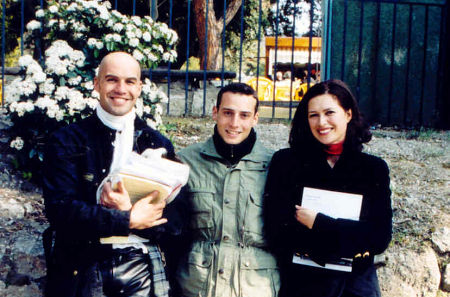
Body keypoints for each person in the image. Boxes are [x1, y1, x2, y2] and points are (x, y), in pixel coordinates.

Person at [42, 52, 184, 297]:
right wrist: (126, 219)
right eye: (111, 80)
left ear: (139, 88)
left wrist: (136, 215)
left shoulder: (157, 142)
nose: (121, 89)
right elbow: (60, 211)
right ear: (96, 84)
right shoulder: (66, 141)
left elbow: (175, 223)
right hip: (82, 271)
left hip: (141, 273)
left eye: (130, 81)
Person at [264, 79, 392, 297]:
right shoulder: (286, 163)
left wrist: (318, 222)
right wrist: (349, 236)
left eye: (329, 112)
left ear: (348, 114)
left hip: (357, 285)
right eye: (313, 115)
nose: (321, 122)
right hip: (303, 283)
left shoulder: (373, 169)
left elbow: (378, 237)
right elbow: (278, 232)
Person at [174, 83, 280, 297]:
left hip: (256, 288)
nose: (234, 123)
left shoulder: (274, 166)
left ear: (255, 118)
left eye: (244, 115)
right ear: (215, 113)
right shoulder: (186, 162)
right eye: (228, 113)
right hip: (197, 287)